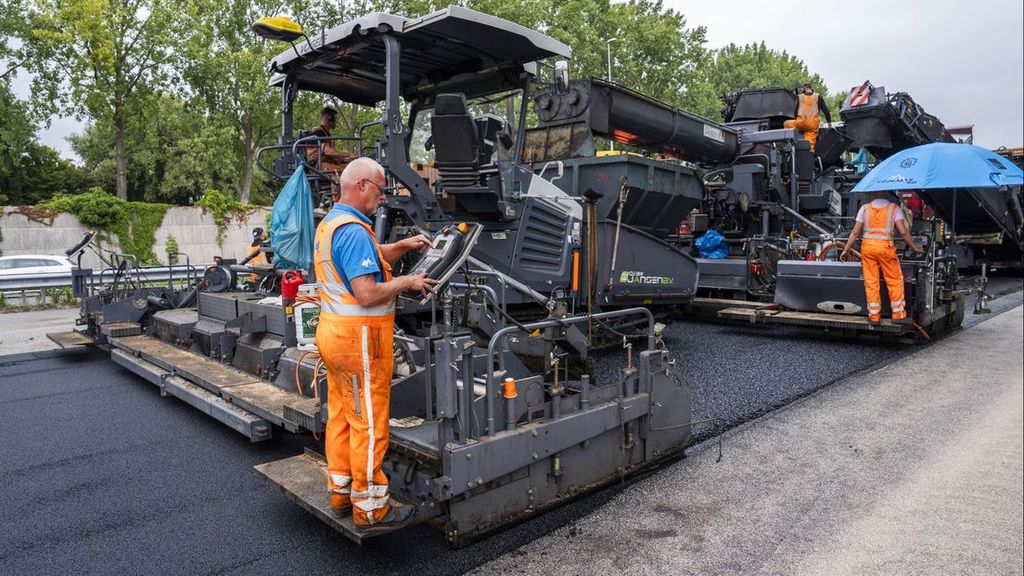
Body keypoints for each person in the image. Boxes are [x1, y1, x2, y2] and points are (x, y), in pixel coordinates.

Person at [313, 157, 437, 530]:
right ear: (364, 185)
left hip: (335, 335)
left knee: (342, 416)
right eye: (381, 190)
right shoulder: (352, 231)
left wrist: (400, 246)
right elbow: (367, 291)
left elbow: (365, 258)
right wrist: (408, 283)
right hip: (359, 342)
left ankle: (341, 491)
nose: (382, 198)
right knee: (368, 422)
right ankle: (370, 509)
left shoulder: (334, 223)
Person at [841, 192, 924, 324]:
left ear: (872, 195)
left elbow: (855, 232)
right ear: (885, 194)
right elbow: (903, 231)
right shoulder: (894, 208)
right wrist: (914, 246)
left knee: (871, 281)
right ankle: (898, 315)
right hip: (885, 248)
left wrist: (846, 249)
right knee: (894, 279)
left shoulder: (864, 209)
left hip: (867, 248)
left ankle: (874, 316)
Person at [783, 81, 832, 152]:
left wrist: (797, 120)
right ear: (811, 88)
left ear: (804, 88)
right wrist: (829, 125)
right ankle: (809, 155)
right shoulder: (818, 97)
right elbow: (826, 111)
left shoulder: (800, 97)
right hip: (812, 126)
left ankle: (789, 145)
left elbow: (795, 112)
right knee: (810, 145)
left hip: (801, 123)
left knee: (786, 124)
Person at [308, 107, 357, 175]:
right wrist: (349, 155)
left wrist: (346, 159)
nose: (336, 121)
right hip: (317, 164)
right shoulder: (318, 131)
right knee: (347, 172)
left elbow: (330, 154)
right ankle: (336, 185)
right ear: (329, 117)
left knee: (352, 167)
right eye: (335, 118)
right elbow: (328, 151)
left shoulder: (326, 133)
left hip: (326, 161)